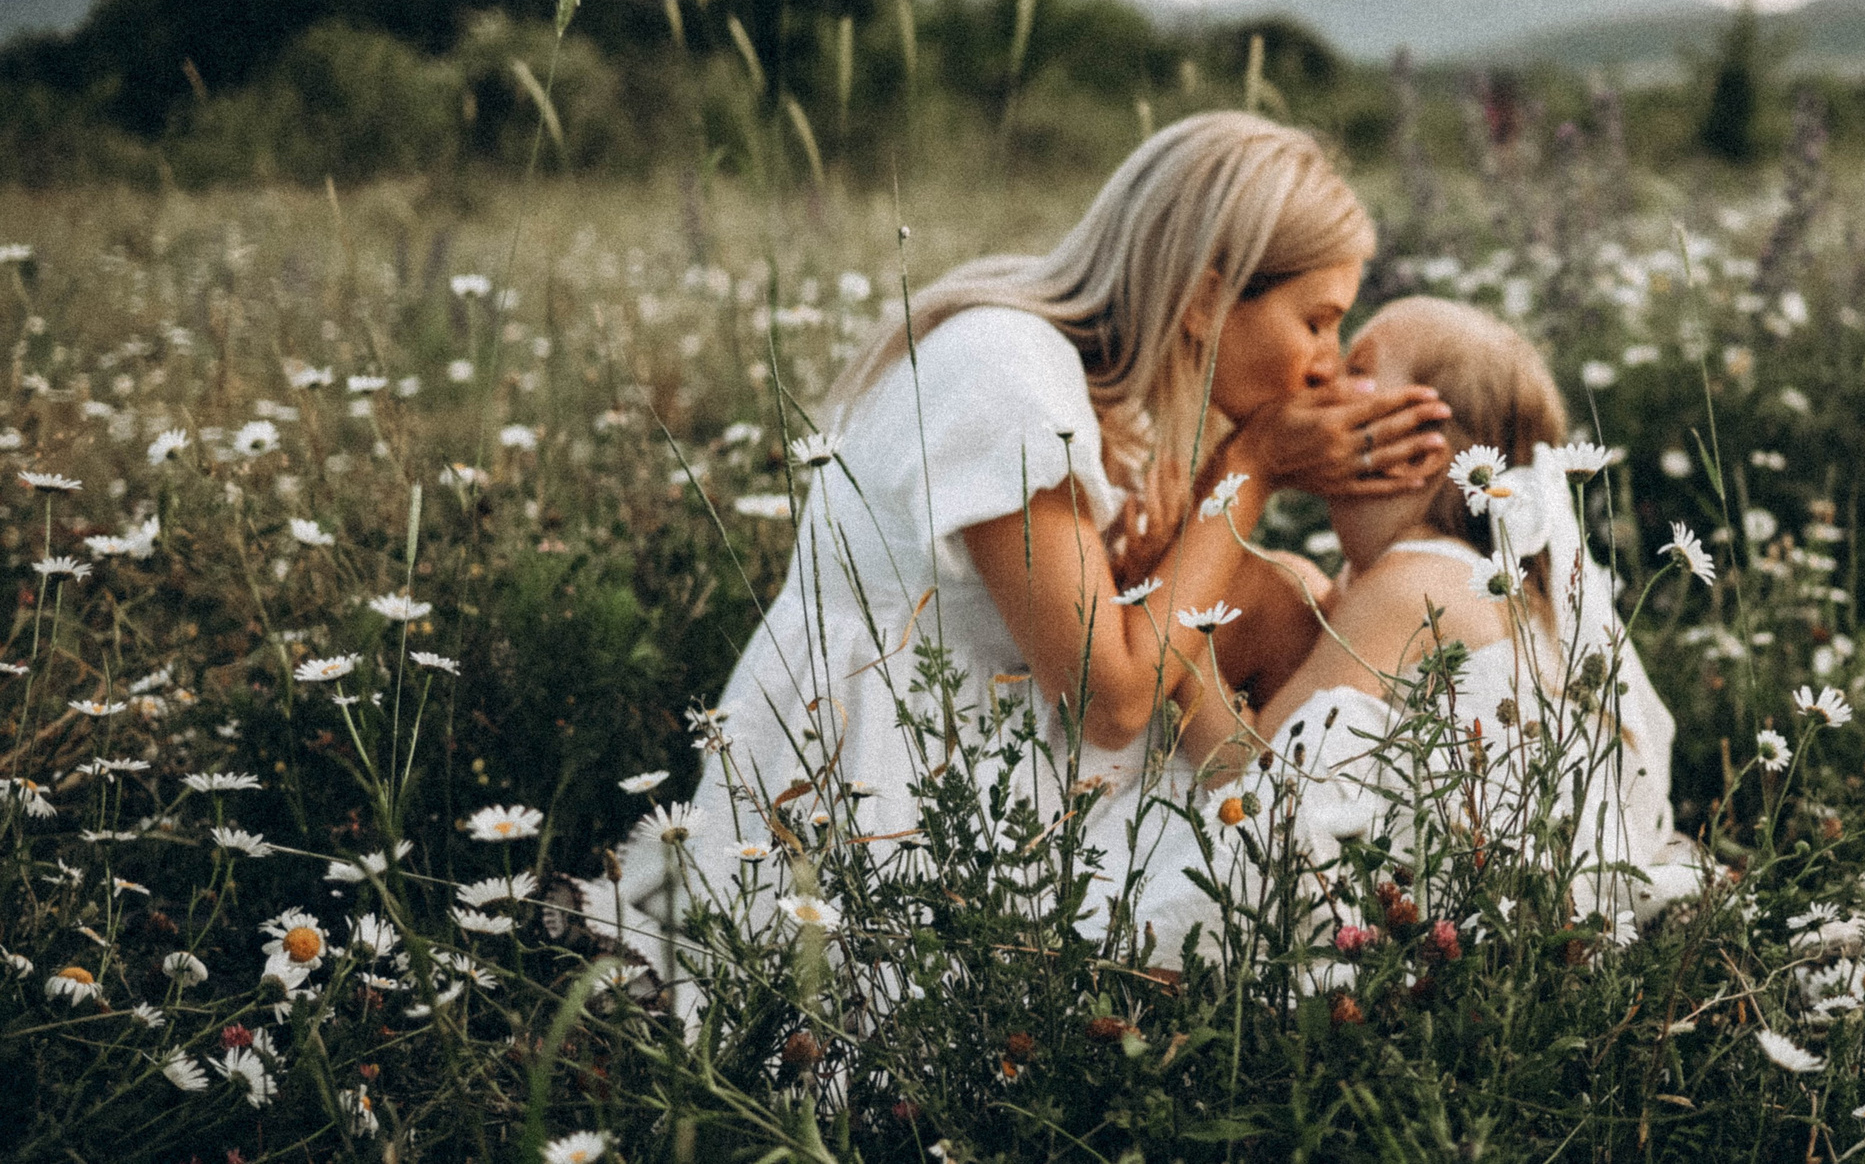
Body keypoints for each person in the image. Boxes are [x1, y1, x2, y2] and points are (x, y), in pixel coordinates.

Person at [588, 113, 1451, 983]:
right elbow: (1111, 697)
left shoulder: (1066, 367)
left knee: (1284, 593)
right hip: (885, 784)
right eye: (1319, 320)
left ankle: (1377, 859)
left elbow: (1138, 607)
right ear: (1204, 298)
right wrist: (1252, 469)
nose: (1326, 364)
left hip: (975, 727)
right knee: (1251, 884)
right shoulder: (1007, 375)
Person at [1142, 296, 1702, 953]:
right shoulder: (1463, 577)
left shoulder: (1415, 587)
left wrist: (1172, 631)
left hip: (1478, 926)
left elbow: (1251, 780)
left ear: (1421, 443)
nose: (1322, 376)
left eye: (1359, 368)